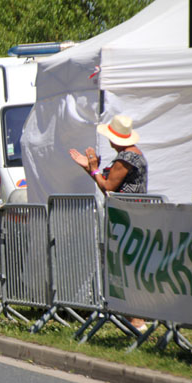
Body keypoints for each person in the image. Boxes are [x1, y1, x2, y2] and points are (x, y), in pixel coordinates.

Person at [69, 114, 147, 331]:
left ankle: (137, 319)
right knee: (126, 265)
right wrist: (90, 169)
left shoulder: (126, 159)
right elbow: (105, 182)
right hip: (129, 216)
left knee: (126, 266)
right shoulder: (132, 155)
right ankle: (133, 316)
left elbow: (108, 187)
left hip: (128, 217)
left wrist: (93, 168)